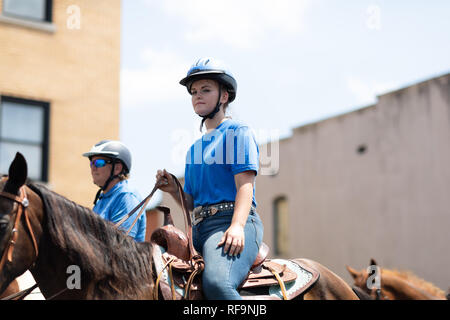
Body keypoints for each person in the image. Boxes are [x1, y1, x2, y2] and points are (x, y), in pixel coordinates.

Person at [156, 57, 264, 299]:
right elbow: (192, 203)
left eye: (206, 90)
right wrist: (174, 189)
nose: (197, 96)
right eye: (193, 91)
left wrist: (236, 226)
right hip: (200, 229)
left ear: (224, 96)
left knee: (217, 284)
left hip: (233, 223)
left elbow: (246, 186)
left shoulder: (238, 132)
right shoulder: (193, 149)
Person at [83, 140, 146, 242]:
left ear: (117, 168)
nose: (93, 168)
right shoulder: (102, 199)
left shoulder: (126, 197)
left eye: (99, 163)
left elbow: (121, 246)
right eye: (91, 163)